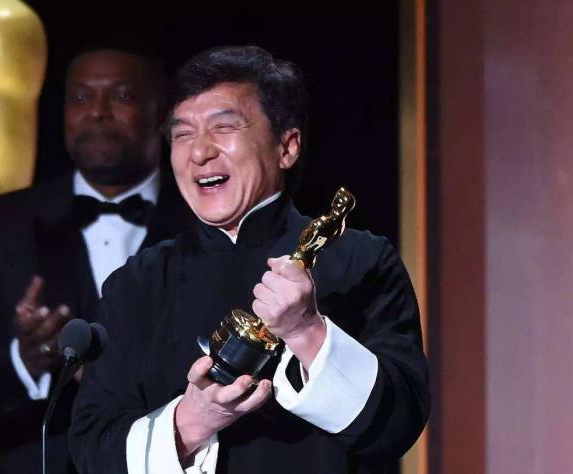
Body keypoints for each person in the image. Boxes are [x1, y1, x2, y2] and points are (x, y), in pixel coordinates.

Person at [69, 45, 430, 474]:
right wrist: (191, 422)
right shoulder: (137, 282)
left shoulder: (362, 262)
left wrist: (306, 331)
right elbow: (91, 448)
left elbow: (399, 424)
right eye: (183, 134)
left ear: (287, 147)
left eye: (224, 127)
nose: (199, 153)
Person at [0, 43, 191, 473]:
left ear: (163, 113)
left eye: (122, 95)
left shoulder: (204, 220)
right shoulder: (1, 226)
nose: (98, 112)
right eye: (80, 97)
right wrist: (25, 361)